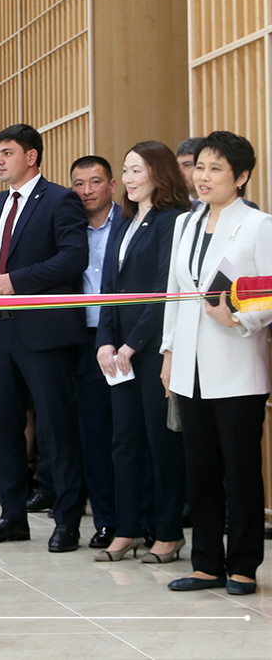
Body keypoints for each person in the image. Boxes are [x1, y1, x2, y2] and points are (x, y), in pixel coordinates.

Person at [162, 131, 272, 595]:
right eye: (199, 167)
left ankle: (244, 565)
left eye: (215, 170)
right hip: (189, 366)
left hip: (237, 365)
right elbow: (174, 293)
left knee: (240, 469)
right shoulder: (185, 224)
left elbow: (269, 293)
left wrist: (239, 319)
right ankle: (207, 562)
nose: (202, 178)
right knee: (200, 468)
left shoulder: (259, 225)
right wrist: (168, 353)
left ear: (241, 176)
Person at [0, 123, 89, 554]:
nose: (0, 160)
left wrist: (15, 281)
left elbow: (73, 258)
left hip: (43, 332)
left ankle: (67, 521)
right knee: (3, 428)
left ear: (32, 156)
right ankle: (12, 516)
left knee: (55, 428)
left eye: (7, 152)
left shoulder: (61, 200)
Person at [94, 141, 190, 564]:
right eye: (126, 171)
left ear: (159, 173)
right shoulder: (125, 222)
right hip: (120, 352)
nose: (129, 179)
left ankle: (168, 532)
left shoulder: (173, 221)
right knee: (125, 441)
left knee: (160, 442)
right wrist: (106, 341)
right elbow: (110, 291)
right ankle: (128, 528)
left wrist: (133, 344)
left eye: (136, 171)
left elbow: (164, 292)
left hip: (153, 348)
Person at [68, 155, 122, 550]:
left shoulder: (132, 225)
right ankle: (105, 520)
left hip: (126, 340)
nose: (87, 190)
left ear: (112, 185)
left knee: (133, 435)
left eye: (95, 182)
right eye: (79, 184)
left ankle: (141, 519)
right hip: (84, 341)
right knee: (94, 435)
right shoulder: (68, 229)